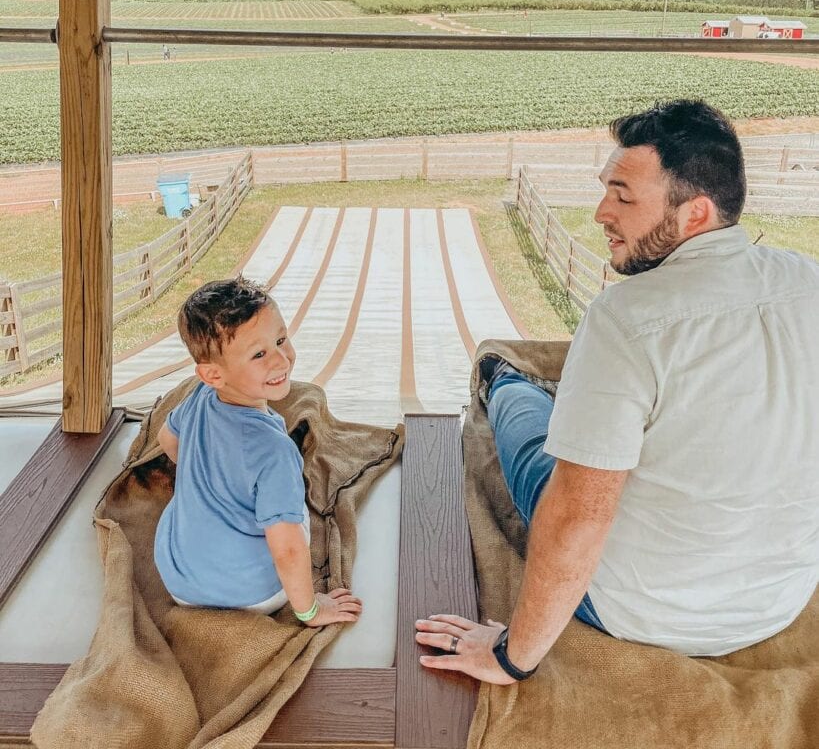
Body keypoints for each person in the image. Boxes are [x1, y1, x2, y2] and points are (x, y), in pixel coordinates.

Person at [416, 99, 819, 684]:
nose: (602, 213)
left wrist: (512, 657)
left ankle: (502, 379)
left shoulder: (627, 318)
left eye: (624, 196)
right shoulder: (810, 279)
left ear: (694, 213)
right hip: (773, 603)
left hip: (638, 608)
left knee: (530, 432)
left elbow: (579, 515)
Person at [154, 277, 362, 626]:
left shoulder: (200, 397)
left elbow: (167, 439)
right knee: (293, 523)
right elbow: (288, 549)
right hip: (250, 596)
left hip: (179, 581)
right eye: (259, 354)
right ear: (213, 374)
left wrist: (203, 482)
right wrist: (310, 610)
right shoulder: (275, 452)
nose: (281, 360)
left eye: (281, 340)